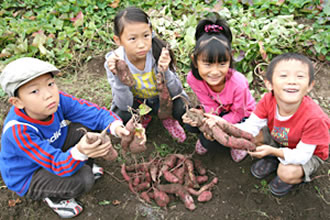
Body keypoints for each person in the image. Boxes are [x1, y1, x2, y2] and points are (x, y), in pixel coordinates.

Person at [0, 57, 131, 218]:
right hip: (31, 174)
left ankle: (81, 163)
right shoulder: (19, 131)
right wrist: (81, 151)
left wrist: (116, 127)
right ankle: (55, 198)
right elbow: (56, 163)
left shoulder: (58, 100)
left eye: (50, 84)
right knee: (84, 179)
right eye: (35, 91)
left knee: (85, 128)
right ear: (17, 102)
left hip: (54, 151)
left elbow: (93, 113)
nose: (48, 94)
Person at [204, 53, 330, 196]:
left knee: (286, 172)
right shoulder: (268, 100)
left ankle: (288, 173)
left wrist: (272, 151)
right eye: (284, 76)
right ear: (269, 84)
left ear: (309, 86)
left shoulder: (315, 118)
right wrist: (222, 125)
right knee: (251, 137)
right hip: (280, 138)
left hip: (308, 154)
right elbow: (250, 127)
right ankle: (273, 159)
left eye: (299, 77)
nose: (292, 81)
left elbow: (302, 156)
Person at [104, 6, 189, 143]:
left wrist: (165, 71)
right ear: (118, 40)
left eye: (146, 36)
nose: (141, 45)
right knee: (120, 115)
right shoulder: (114, 62)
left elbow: (176, 91)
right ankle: (141, 117)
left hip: (162, 100)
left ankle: (167, 118)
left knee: (181, 108)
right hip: (137, 101)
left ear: (151, 33)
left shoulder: (158, 53)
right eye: (132, 39)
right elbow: (124, 104)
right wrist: (118, 76)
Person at [182, 16, 256, 162]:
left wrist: (217, 124)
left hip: (243, 115)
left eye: (222, 64)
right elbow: (208, 103)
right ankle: (210, 138)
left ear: (230, 60)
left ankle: (237, 144)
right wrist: (207, 120)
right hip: (219, 111)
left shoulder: (238, 83)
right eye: (208, 64)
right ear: (195, 61)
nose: (215, 72)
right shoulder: (193, 79)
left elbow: (238, 112)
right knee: (190, 124)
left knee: (235, 130)